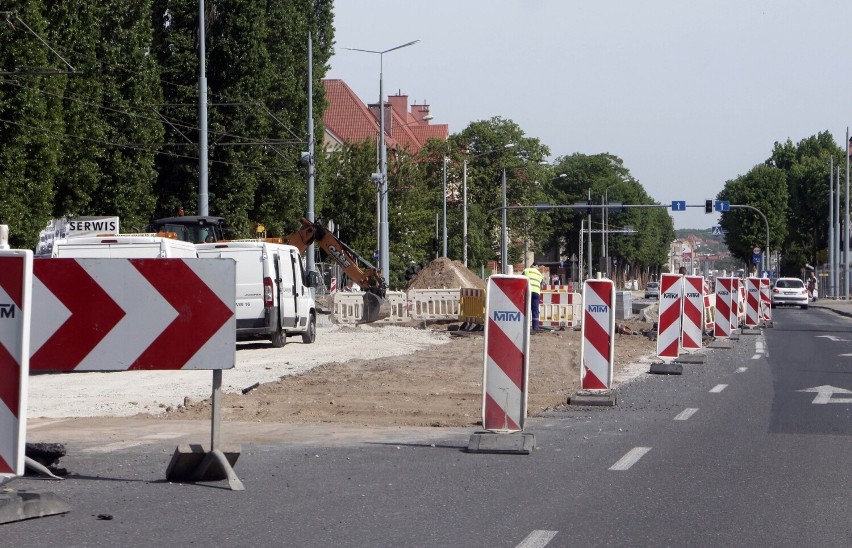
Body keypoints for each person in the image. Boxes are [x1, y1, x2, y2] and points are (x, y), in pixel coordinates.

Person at [523, 263, 545, 332]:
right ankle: (535, 328)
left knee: (525, 309)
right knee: (535, 310)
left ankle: (524, 327)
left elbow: (521, 280)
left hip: (528, 291)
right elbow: (542, 286)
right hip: (536, 293)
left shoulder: (526, 270)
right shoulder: (540, 274)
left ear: (531, 266)